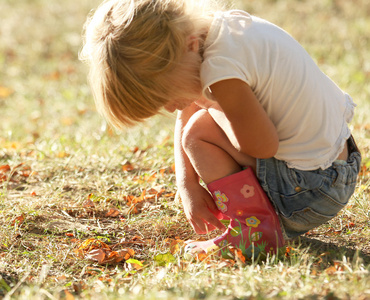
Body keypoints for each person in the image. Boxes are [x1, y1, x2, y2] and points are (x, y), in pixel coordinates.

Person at [80, 0, 361, 259]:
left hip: (310, 191)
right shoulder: (226, 32)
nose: (168, 107)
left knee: (199, 134)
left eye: (166, 94)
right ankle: (260, 223)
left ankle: (254, 234)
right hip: (339, 166)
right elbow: (188, 111)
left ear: (189, 46)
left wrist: (209, 105)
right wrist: (186, 184)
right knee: (198, 124)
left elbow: (263, 146)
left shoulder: (220, 68)